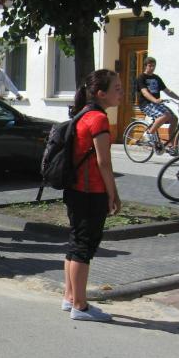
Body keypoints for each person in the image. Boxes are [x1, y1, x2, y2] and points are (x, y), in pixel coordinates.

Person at [59, 69, 123, 322]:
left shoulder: (82, 114)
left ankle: (70, 297)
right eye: (116, 88)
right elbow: (103, 162)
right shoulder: (98, 119)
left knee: (76, 243)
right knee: (83, 248)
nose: (121, 92)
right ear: (100, 93)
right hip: (91, 191)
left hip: (76, 190)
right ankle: (80, 305)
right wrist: (113, 194)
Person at [136, 56, 179, 155]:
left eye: (154, 66)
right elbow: (144, 92)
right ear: (145, 66)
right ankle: (148, 134)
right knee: (165, 115)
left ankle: (171, 146)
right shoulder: (141, 77)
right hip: (146, 104)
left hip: (156, 104)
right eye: (150, 66)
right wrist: (155, 100)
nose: (152, 68)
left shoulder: (156, 78)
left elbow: (168, 91)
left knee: (174, 119)